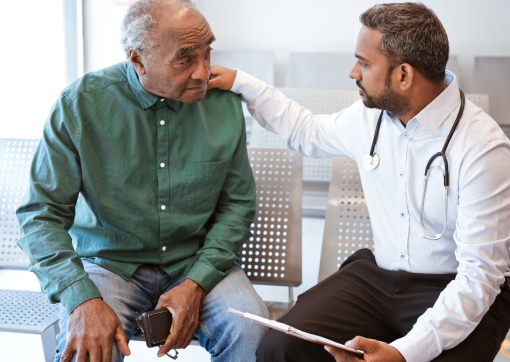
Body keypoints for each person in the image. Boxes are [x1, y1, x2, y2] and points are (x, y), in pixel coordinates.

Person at [208, 3, 510, 362]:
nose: (353, 73)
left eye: (364, 63)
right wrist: (241, 82)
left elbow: (480, 276)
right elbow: (305, 130)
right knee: (280, 349)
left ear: (403, 76)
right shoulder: (370, 118)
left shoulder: (482, 148)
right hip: (377, 279)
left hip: (458, 286)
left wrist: (402, 353)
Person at [16, 1, 268, 361]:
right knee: (88, 350)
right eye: (185, 58)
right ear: (138, 61)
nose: (204, 71)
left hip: (195, 261)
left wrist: (197, 282)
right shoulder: (80, 105)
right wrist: (81, 297)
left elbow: (237, 205)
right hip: (109, 264)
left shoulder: (224, 104)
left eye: (207, 51)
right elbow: (40, 214)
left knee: (255, 335)